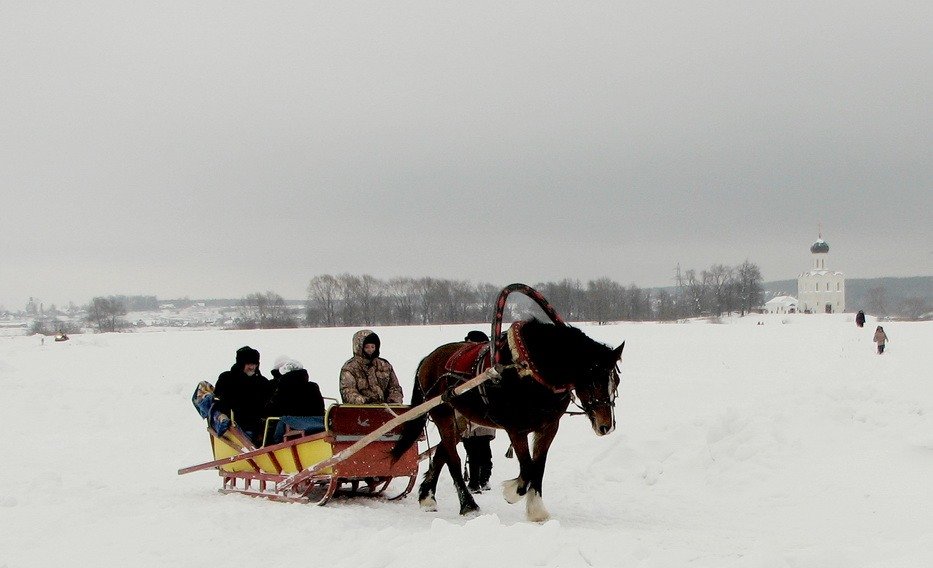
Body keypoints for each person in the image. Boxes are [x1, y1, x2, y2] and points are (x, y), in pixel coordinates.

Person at [460, 330, 496, 493]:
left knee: (479, 448)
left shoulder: (484, 364)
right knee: (476, 448)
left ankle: (479, 480)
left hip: (479, 413)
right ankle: (480, 479)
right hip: (470, 414)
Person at [213, 346, 271, 446]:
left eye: (255, 364)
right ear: (241, 364)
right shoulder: (226, 379)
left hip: (260, 427)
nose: (252, 367)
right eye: (248, 364)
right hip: (236, 428)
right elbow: (219, 401)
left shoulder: (263, 382)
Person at [339, 329, 403, 404]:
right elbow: (348, 392)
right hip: (360, 410)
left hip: (386, 409)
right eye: (367, 347)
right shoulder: (350, 368)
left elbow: (395, 388)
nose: (370, 350)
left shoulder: (384, 365)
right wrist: (366, 401)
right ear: (360, 348)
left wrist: (394, 400)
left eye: (373, 347)